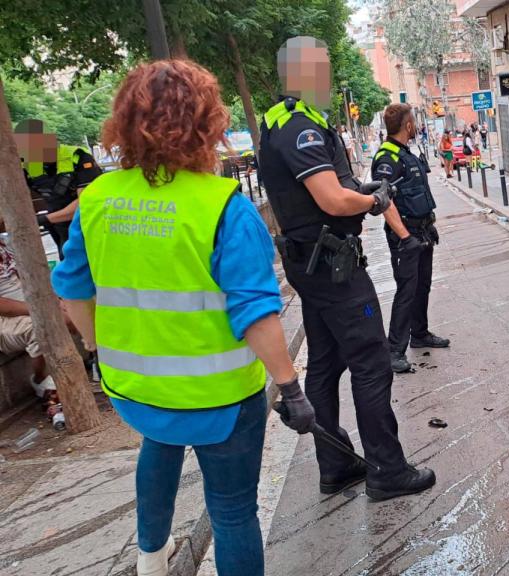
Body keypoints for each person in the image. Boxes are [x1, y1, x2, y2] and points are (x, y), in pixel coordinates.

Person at [51, 59, 311, 576]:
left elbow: (72, 293)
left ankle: (150, 560)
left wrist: (101, 348)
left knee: (159, 446)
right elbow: (256, 312)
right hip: (219, 397)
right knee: (233, 510)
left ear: (123, 121)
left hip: (135, 387)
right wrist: (290, 386)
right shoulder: (222, 207)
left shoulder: (97, 199)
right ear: (208, 124)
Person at [259, 36, 435, 500]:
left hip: (311, 262)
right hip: (332, 266)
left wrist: (360, 186)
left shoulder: (289, 119)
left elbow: (333, 186)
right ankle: (387, 469)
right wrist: (373, 198)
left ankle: (335, 463)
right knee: (372, 362)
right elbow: (332, 199)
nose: (328, 77)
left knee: (326, 361)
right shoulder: (300, 127)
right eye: (320, 68)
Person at [371, 103, 450, 374]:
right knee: (406, 291)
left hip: (422, 230)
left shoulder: (406, 153)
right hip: (405, 235)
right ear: (407, 125)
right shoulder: (387, 157)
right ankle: (394, 350)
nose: (415, 126)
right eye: (413, 122)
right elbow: (383, 202)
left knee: (422, 286)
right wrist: (405, 237)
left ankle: (420, 333)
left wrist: (430, 226)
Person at [14, 120, 103, 259]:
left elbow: (86, 203)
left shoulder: (78, 157)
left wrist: (44, 219)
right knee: (68, 264)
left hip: (90, 224)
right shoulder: (27, 165)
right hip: (59, 226)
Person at [0, 229, 62, 399]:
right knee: (42, 328)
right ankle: (42, 380)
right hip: (5, 321)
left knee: (72, 313)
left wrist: (52, 301)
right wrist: (39, 310)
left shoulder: (5, 244)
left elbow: (28, 278)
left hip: (28, 307)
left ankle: (92, 368)